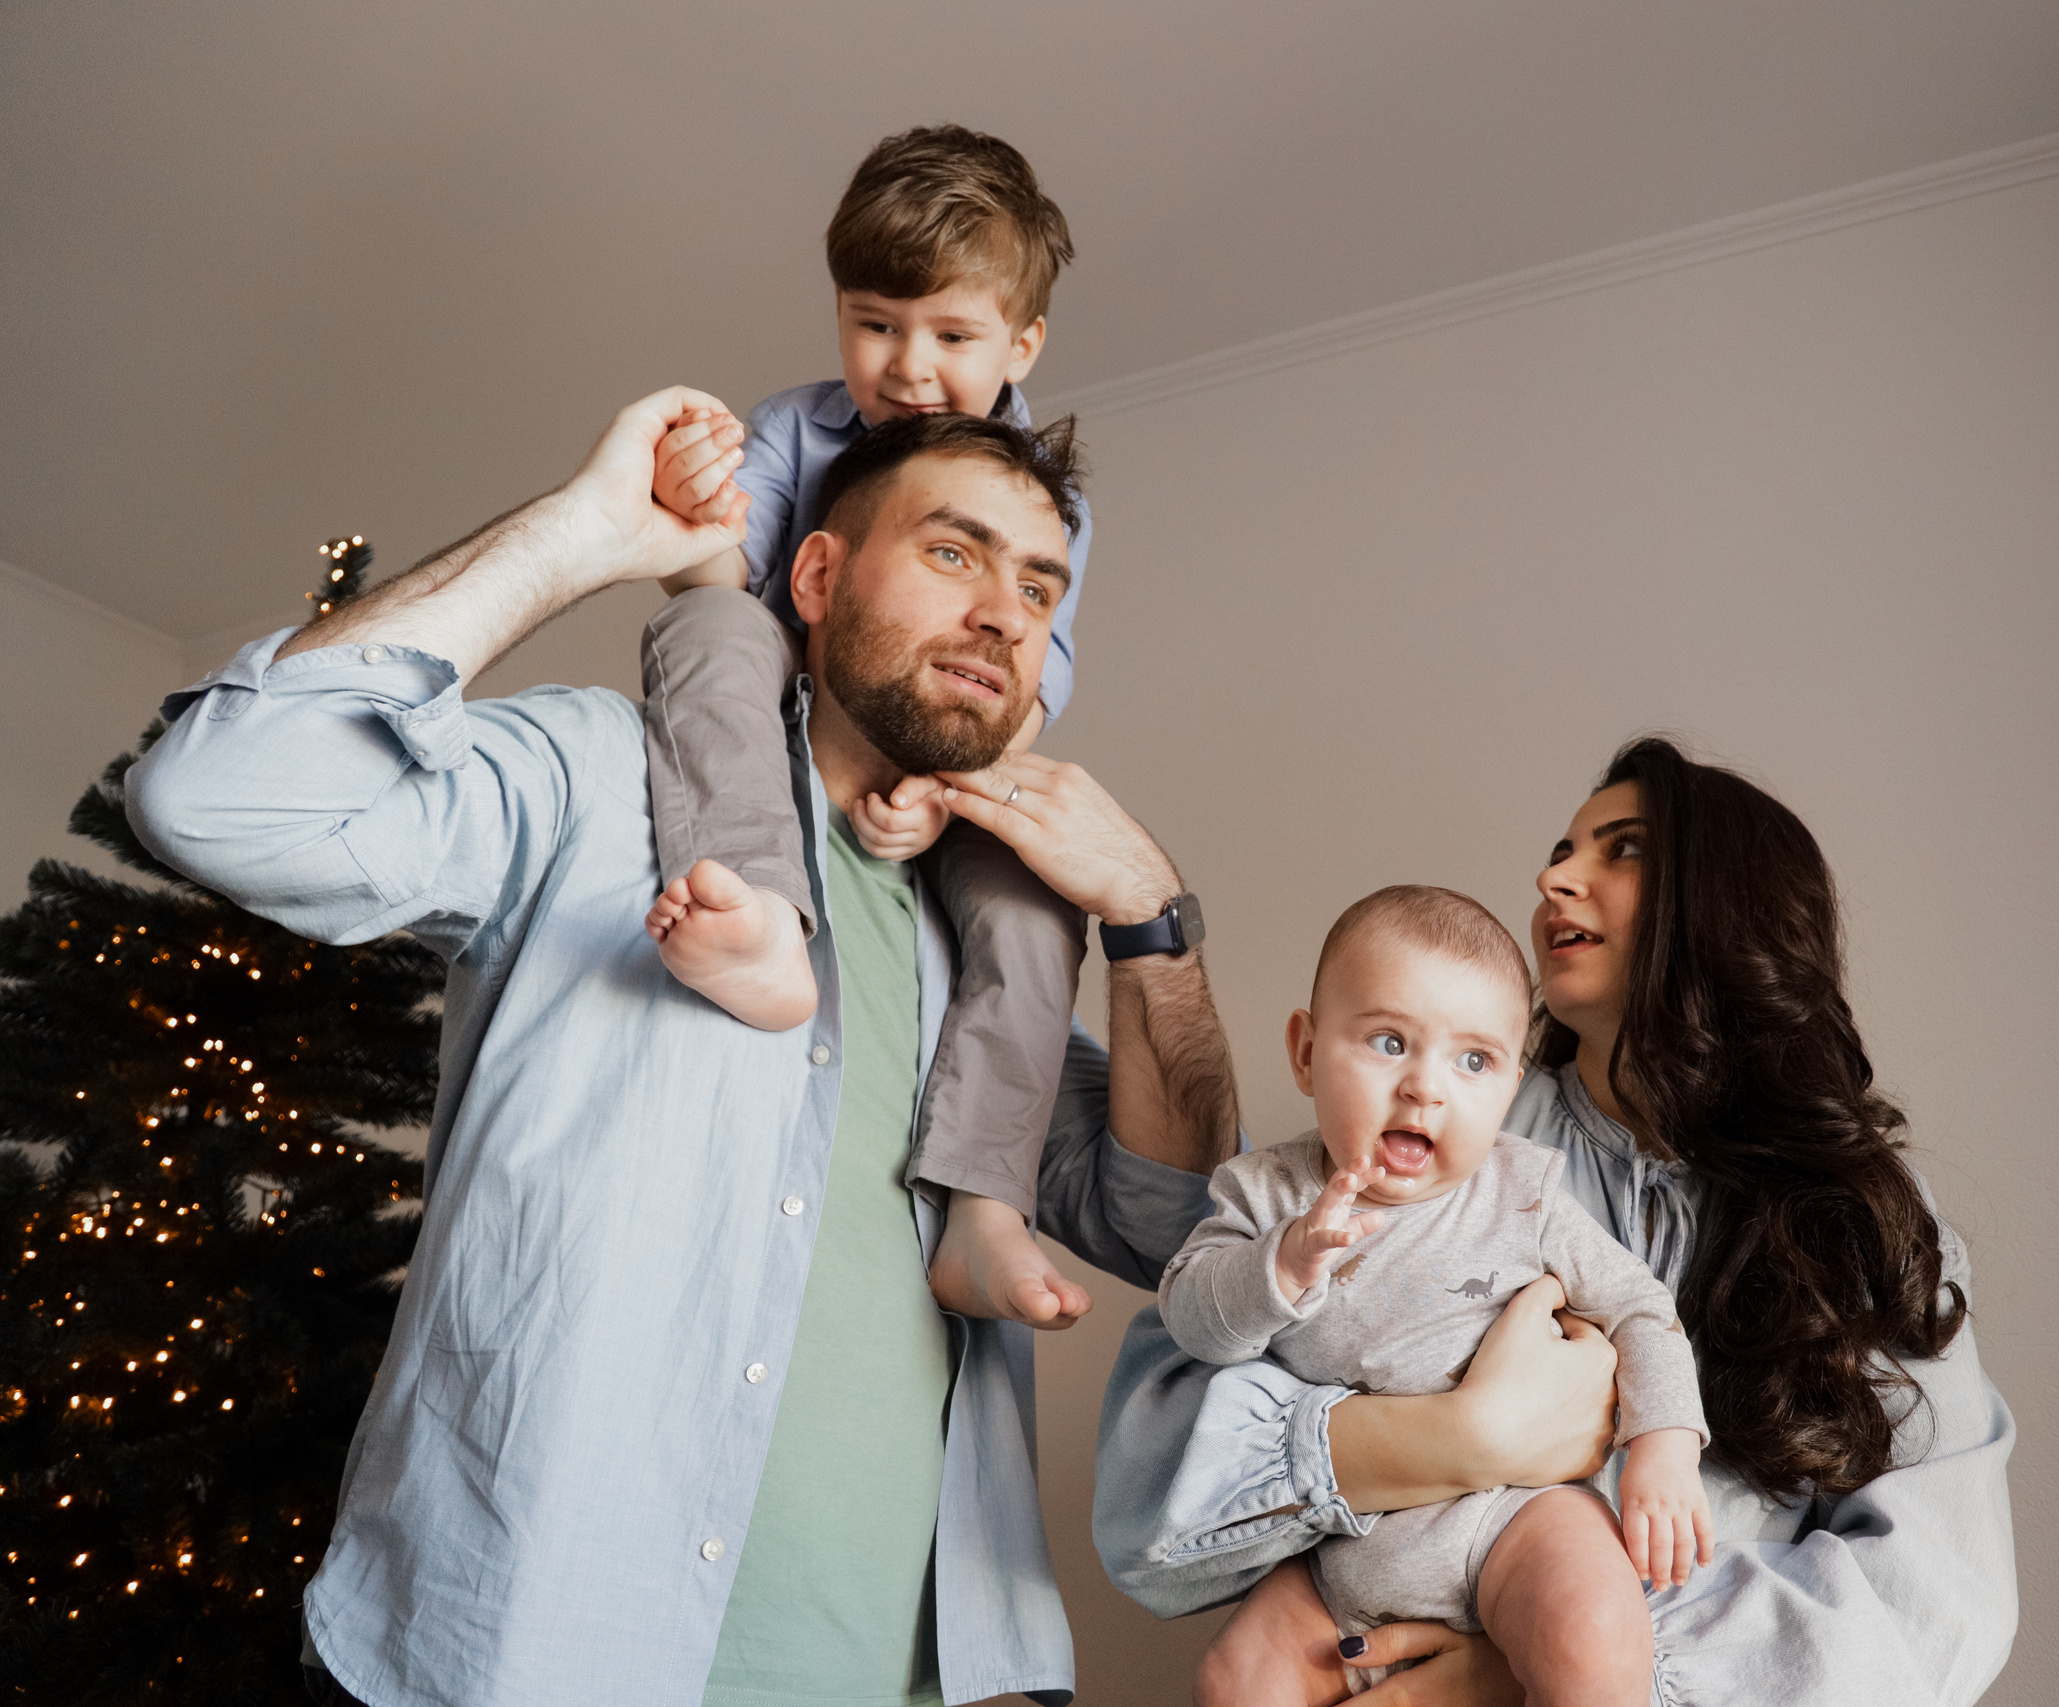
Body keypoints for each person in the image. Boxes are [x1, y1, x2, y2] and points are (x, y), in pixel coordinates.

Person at [125, 388, 1237, 1707]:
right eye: (953, 551)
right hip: (520, 1658)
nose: (1005, 610)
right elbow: (218, 791)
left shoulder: (994, 958)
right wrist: (583, 529)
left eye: (1040, 585)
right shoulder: (606, 779)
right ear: (816, 574)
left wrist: (1150, 917)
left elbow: (1172, 1222)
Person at [1099, 738, 2019, 1705]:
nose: (1552, 877)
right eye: (1562, 847)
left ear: (1726, 903)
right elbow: (1143, 1505)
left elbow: (1943, 1599)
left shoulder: (1862, 1225)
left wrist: (1574, 1662)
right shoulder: (1410, 1166)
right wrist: (1455, 1436)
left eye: (1620, 850)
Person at [640, 123, 1102, 1340]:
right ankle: (757, 913)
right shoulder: (789, 432)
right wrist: (690, 502)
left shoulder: (1043, 503)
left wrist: (952, 786)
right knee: (708, 631)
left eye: (951, 336)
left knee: (1034, 894)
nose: (906, 366)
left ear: (1020, 343)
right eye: (873, 323)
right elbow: (722, 579)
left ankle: (983, 1204)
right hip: (789, 725)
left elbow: (1019, 679)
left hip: (939, 753)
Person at [1164, 886, 1713, 1705]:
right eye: (1390, 1041)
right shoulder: (1266, 1195)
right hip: (1345, 1541)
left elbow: (1640, 1308)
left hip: (1520, 1519)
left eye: (1473, 1061)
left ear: (1508, 1086)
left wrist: (1666, 1444)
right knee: (1233, 1678)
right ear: (1307, 1051)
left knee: (1595, 1636)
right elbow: (1191, 1315)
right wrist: (1281, 1265)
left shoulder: (1523, 1192)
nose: (1427, 1087)